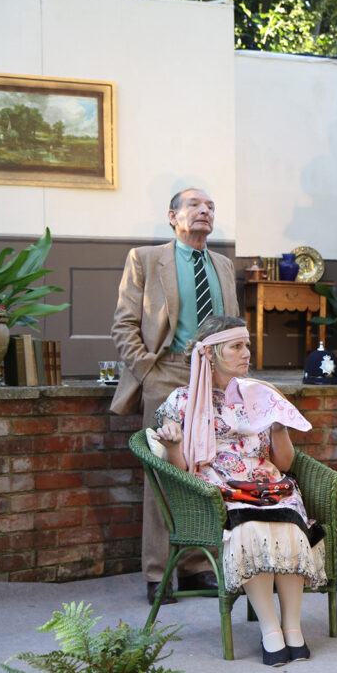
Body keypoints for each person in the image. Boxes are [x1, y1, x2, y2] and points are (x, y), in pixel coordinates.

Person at [152, 315, 325, 666]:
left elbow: (287, 462)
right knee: (250, 530)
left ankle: (292, 626)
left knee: (291, 529)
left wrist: (278, 428)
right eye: (237, 346)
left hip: (269, 484)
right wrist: (172, 445)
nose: (247, 353)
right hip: (220, 490)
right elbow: (181, 470)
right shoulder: (181, 401)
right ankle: (270, 630)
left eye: (247, 345)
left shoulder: (258, 395)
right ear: (211, 354)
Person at [111, 187, 239, 604]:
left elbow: (233, 327)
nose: (205, 211)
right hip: (166, 373)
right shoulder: (146, 259)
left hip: (213, 378)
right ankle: (157, 572)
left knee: (207, 468)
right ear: (172, 216)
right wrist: (148, 374)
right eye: (194, 205)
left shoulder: (223, 265)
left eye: (211, 206)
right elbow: (124, 325)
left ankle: (198, 566)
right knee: (164, 473)